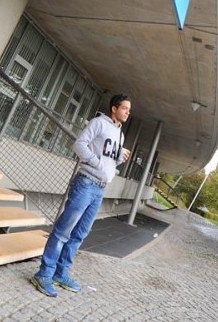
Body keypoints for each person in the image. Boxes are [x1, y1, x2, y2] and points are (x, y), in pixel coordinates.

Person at [31, 94, 132, 297]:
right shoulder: (99, 123)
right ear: (114, 108)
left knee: (80, 234)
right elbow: (79, 145)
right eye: (125, 108)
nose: (128, 113)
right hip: (86, 183)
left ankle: (61, 273)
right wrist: (95, 164)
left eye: (129, 110)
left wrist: (119, 158)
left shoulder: (120, 135)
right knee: (63, 231)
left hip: (100, 189)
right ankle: (43, 275)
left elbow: (108, 162)